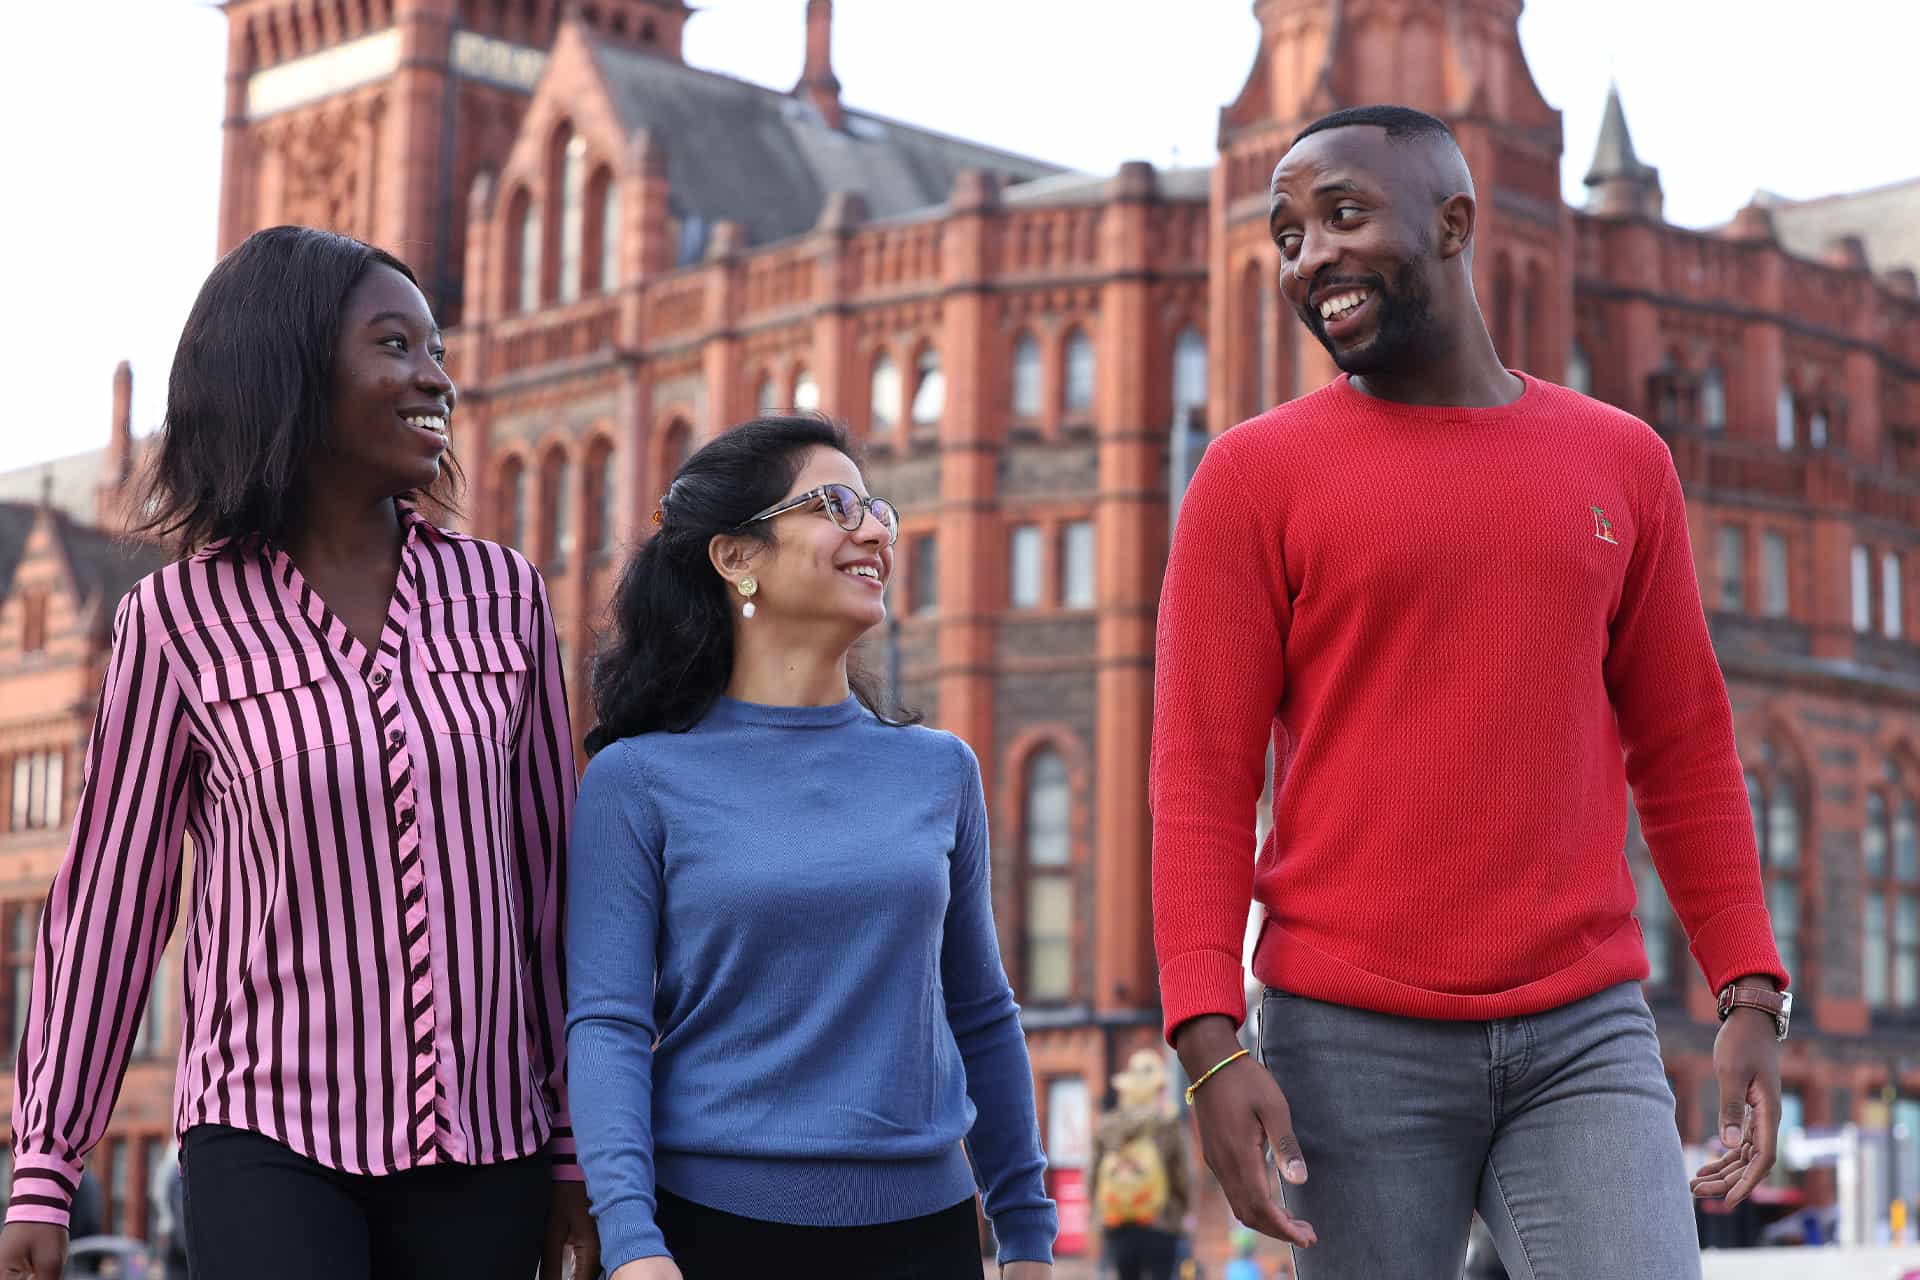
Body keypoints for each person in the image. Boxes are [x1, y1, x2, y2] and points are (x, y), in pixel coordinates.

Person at [1150, 105, 1790, 1279]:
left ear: (1454, 224)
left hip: (1584, 1027)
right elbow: (1200, 769)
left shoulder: (1621, 460)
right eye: (1287, 236)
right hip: (1345, 1041)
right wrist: (1207, 1038)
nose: (1310, 259)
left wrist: (1748, 986)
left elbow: (1686, 742)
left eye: (1342, 215)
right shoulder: (1249, 476)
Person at [0, 226, 597, 1280]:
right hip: (268, 1131)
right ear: (291, 371)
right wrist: (48, 1157)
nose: (435, 377)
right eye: (396, 345)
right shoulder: (175, 620)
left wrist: (571, 1139)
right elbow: (111, 899)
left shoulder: (503, 595)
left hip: (489, 1136)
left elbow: (552, 884)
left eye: (436, 347)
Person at [566, 415, 1057, 1279]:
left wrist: (1026, 1236)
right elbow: (607, 1023)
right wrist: (632, 1240)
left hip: (928, 1234)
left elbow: (980, 1010)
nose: (874, 530)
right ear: (736, 557)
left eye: (877, 510)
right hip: (715, 1232)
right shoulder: (637, 780)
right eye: (835, 505)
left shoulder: (941, 771)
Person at [1089, 1051, 1189, 1280]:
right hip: (1161, 1221)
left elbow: (1093, 1173)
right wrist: (1182, 1210)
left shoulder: (1107, 1125)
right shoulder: (1168, 1125)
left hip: (1118, 1220)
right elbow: (1183, 1175)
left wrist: (1098, 1213)